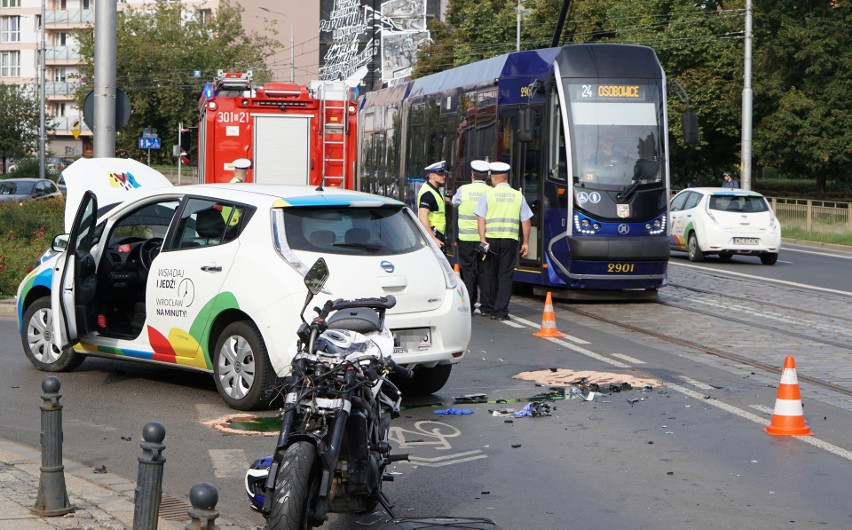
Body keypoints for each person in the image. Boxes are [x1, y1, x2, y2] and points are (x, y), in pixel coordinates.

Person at [475, 161, 532, 321]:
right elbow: (526, 221)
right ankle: (501, 312)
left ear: (494, 178)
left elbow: (481, 218)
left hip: (491, 240)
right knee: (505, 275)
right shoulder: (518, 195)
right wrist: (525, 242)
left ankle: (490, 307)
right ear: (506, 178)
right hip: (510, 240)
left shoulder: (488, 195)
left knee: (490, 274)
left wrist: (482, 239)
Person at [452, 160, 491, 314]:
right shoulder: (490, 191)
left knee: (468, 271)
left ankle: (469, 302)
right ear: (487, 177)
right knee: (484, 270)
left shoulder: (463, 189)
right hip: (484, 239)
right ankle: (486, 305)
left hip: (466, 239)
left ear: (472, 175)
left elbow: (455, 203)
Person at [418, 160, 450, 250]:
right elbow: (422, 216)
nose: (443, 176)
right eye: (440, 174)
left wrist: (448, 200)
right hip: (433, 235)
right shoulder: (428, 194)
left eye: (444, 174)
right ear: (431, 175)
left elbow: (435, 201)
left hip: (437, 234)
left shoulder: (433, 189)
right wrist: (433, 239)